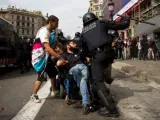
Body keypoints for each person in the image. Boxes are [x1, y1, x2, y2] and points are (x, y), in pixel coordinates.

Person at [80, 12, 130, 117]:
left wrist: (88, 56)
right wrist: (127, 19)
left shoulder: (83, 32)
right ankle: (100, 100)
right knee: (98, 78)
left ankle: (112, 110)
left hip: (98, 56)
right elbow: (120, 26)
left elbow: (84, 51)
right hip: (109, 53)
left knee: (97, 82)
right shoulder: (101, 22)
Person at [31, 15, 67, 103]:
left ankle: (54, 91)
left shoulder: (51, 32)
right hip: (41, 57)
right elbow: (47, 47)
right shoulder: (44, 31)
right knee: (41, 76)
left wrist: (65, 48)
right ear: (50, 22)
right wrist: (59, 56)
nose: (57, 25)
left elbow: (56, 42)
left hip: (46, 57)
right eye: (56, 23)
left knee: (53, 72)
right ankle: (34, 95)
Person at [56, 39, 90, 115]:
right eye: (72, 43)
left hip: (83, 68)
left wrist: (88, 59)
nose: (74, 44)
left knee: (83, 78)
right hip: (74, 69)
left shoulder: (78, 52)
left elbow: (87, 59)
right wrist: (65, 62)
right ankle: (85, 102)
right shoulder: (64, 55)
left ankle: (85, 104)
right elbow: (58, 63)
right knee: (80, 75)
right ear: (67, 46)